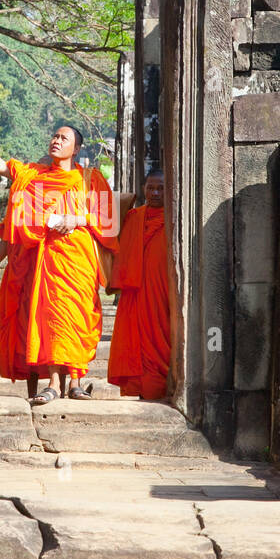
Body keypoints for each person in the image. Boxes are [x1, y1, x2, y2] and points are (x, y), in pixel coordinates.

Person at [0, 119, 118, 404]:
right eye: (54, 136)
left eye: (63, 138)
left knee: (78, 319)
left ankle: (76, 381)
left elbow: (109, 219)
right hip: (47, 261)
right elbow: (1, 166)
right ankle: (54, 384)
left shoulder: (90, 179)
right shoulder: (34, 177)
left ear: (76, 149)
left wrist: (78, 219)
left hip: (79, 263)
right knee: (50, 320)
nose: (56, 141)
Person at [107, 170, 170, 401]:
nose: (155, 193)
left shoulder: (175, 219)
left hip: (163, 292)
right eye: (150, 187)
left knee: (162, 336)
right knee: (137, 340)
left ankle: (164, 386)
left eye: (161, 188)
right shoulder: (132, 217)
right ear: (143, 188)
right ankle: (144, 388)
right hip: (136, 291)